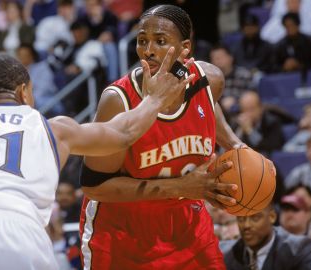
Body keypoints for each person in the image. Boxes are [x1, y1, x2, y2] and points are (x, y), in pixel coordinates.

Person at [0, 53, 203, 269]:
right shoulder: (53, 128)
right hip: (19, 235)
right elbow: (124, 131)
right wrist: (157, 97)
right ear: (24, 93)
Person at [79, 5, 249, 269]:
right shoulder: (118, 101)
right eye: (142, 41)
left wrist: (236, 145)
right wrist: (181, 187)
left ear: (185, 48)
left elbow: (208, 104)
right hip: (123, 235)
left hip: (189, 225)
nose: (148, 50)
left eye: (160, 41)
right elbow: (94, 187)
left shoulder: (209, 81)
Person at [221, 204, 311, 270]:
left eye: (255, 218)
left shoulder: (301, 249)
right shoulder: (224, 253)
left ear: (272, 217)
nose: (246, 225)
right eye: (241, 219)